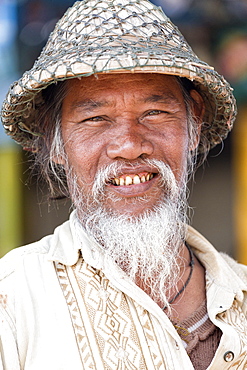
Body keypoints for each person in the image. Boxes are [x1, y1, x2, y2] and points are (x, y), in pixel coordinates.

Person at [1, 0, 246, 369]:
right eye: (96, 118)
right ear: (55, 142)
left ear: (193, 125)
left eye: (154, 113)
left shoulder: (240, 289)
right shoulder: (13, 301)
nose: (130, 145)